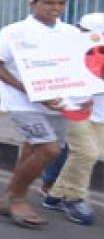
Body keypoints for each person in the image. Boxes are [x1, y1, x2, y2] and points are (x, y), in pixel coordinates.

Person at [0, 0, 82, 228]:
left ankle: (8, 197)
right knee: (49, 150)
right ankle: (18, 198)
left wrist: (83, 94)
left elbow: (78, 67)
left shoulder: (70, 33)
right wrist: (30, 91)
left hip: (59, 103)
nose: (55, 8)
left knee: (34, 151)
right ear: (33, 5)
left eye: (60, 3)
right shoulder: (14, 31)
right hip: (23, 103)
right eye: (49, 3)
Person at [38, 12, 104, 225]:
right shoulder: (68, 52)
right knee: (86, 153)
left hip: (100, 113)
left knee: (85, 155)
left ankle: (55, 195)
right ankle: (75, 198)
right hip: (75, 109)